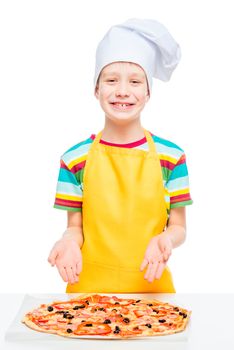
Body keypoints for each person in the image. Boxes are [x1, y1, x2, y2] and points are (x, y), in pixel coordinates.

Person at [48, 18, 193, 293]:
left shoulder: (172, 158)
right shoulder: (74, 159)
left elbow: (179, 226)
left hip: (152, 296)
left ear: (148, 92)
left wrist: (166, 240)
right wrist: (67, 241)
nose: (123, 91)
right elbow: (75, 227)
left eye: (135, 81)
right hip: (88, 296)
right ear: (96, 89)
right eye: (111, 80)